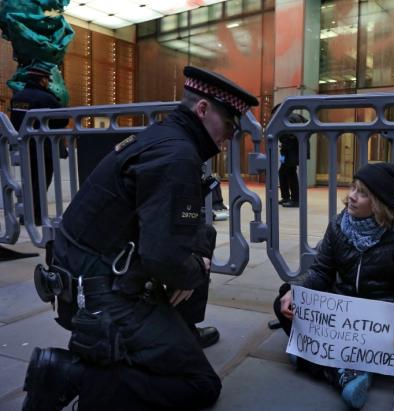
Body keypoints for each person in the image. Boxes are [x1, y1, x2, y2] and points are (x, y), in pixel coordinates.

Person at [22, 66, 258, 410]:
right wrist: (196, 268)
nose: (230, 137)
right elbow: (163, 259)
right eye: (230, 125)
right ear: (203, 110)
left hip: (85, 275)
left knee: (200, 236)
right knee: (201, 384)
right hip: (100, 296)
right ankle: (70, 375)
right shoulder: (177, 156)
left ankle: (176, 332)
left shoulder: (163, 136)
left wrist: (190, 262)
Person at [273, 163, 394, 409]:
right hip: (340, 316)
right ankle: (347, 370)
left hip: (377, 319)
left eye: (362, 192)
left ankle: (317, 361)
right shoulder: (339, 225)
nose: (351, 196)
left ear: (379, 203)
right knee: (283, 303)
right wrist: (295, 289)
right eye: (353, 188)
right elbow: (320, 271)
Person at [10, 62, 68, 226]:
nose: (48, 83)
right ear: (42, 80)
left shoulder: (18, 97)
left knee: (28, 182)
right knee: (41, 182)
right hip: (44, 148)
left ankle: (26, 215)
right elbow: (63, 119)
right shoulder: (46, 98)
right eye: (47, 80)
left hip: (24, 147)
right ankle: (37, 216)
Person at [275, 106, 307, 208]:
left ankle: (295, 199)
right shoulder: (296, 116)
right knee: (283, 171)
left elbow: (285, 135)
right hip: (291, 150)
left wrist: (286, 144)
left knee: (290, 172)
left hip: (290, 151)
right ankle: (286, 197)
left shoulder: (285, 118)